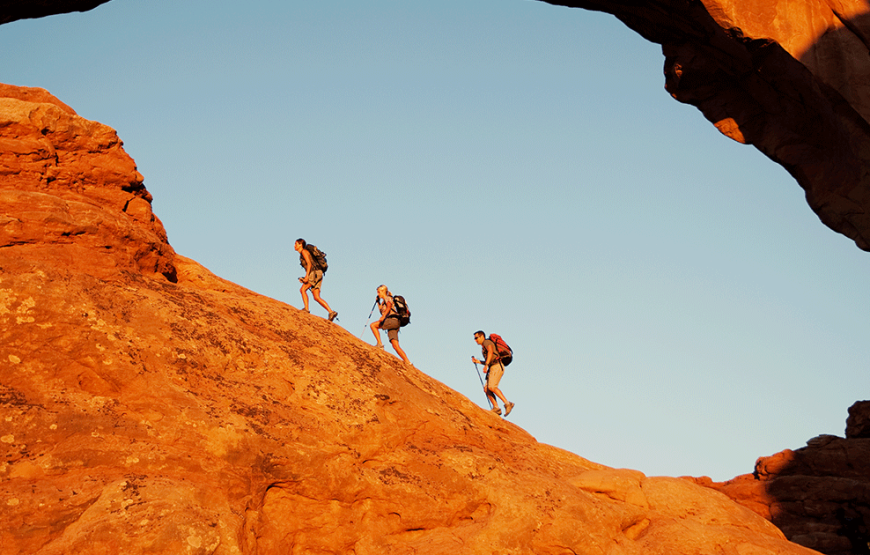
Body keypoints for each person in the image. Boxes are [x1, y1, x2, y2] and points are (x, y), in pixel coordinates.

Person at [472, 330, 514, 416]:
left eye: (476, 338)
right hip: (493, 366)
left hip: (497, 366)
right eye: (474, 338)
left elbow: (490, 352)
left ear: (482, 336)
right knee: (486, 389)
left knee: (492, 387)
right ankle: (496, 408)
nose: (475, 340)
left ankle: (507, 403)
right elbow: (490, 358)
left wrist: (486, 365)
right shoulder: (483, 347)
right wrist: (479, 361)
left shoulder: (487, 342)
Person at [294, 238, 338, 322]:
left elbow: (309, 264)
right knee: (316, 297)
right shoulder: (304, 253)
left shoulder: (304, 252)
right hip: (318, 273)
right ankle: (331, 312)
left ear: (300, 245)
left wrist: (306, 277)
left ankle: (306, 309)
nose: (294, 246)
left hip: (314, 273)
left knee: (302, 290)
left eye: (296, 244)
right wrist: (305, 278)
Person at [370, 284, 411, 365]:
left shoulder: (387, 298)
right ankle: (408, 362)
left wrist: (383, 316)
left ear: (383, 291)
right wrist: (378, 302)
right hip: (396, 323)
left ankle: (380, 344)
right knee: (395, 345)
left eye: (379, 292)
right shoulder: (383, 301)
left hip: (391, 320)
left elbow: (388, 307)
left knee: (373, 325)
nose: (378, 294)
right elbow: (381, 310)